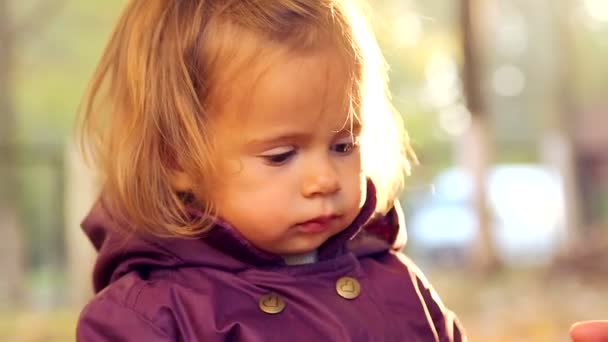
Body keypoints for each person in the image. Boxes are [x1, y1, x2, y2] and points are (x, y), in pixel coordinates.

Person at [76, 0, 465, 340]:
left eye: (343, 146)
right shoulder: (152, 318)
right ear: (178, 160)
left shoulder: (398, 285)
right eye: (281, 156)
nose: (324, 180)